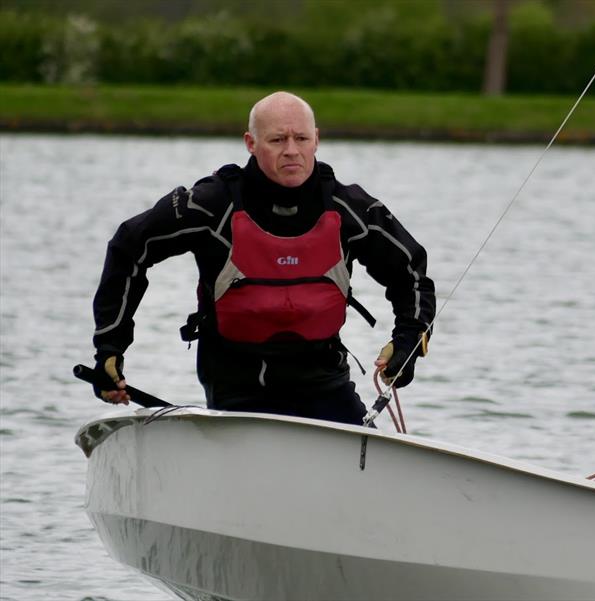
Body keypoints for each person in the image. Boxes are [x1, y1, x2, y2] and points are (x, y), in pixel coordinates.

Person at [91, 91, 435, 425]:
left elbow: (411, 274)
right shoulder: (209, 205)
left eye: (301, 139)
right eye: (277, 140)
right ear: (250, 143)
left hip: (324, 382)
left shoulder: (350, 210)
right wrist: (110, 347)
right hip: (235, 386)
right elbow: (128, 248)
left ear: (316, 140)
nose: (291, 151)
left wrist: (407, 343)